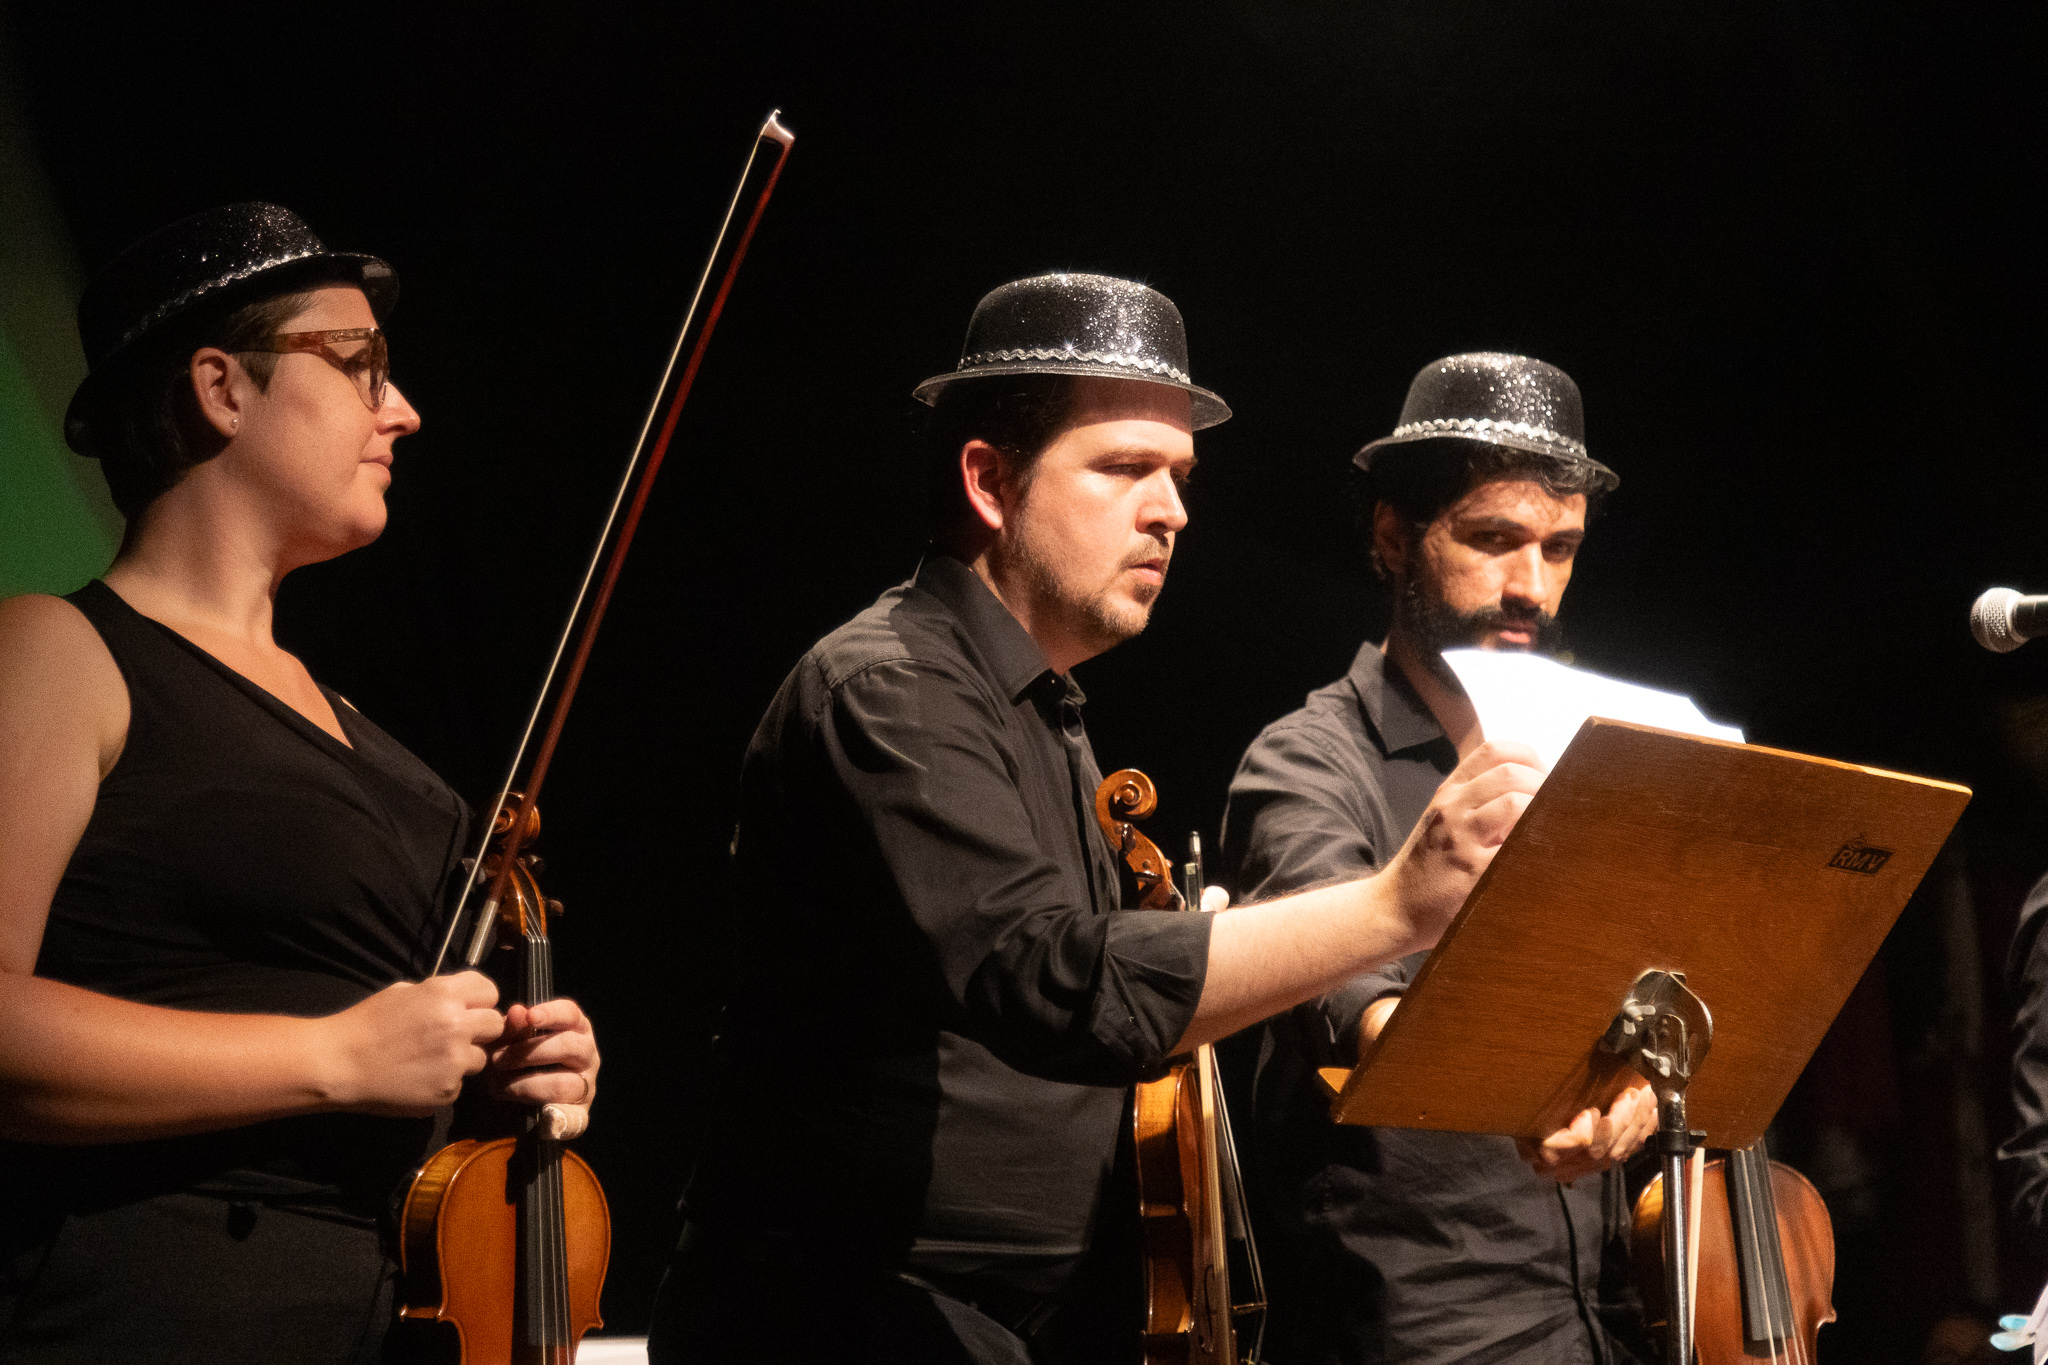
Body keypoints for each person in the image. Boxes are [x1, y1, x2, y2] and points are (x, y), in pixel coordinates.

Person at [647, 280, 1638, 1364]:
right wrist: (1396, 904)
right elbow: (1055, 981)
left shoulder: (1039, 713)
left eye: (1179, 478)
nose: (1171, 512)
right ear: (989, 481)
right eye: (1125, 468)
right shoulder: (891, 690)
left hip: (967, 1322)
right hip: (842, 1314)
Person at [0, 203, 599, 1364]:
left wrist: (511, 1068)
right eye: (360, 364)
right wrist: (336, 1056)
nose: (402, 409)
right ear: (221, 389)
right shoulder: (61, 653)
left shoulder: (364, 735)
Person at [1221, 352, 1657, 1364]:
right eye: (1492, 540)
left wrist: (1639, 1085)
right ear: (1392, 537)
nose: (1529, 587)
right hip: (1424, 1330)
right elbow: (1352, 1004)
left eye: (1558, 548)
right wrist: (1531, 1089)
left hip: (1607, 1320)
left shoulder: (1586, 760)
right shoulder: (1306, 761)